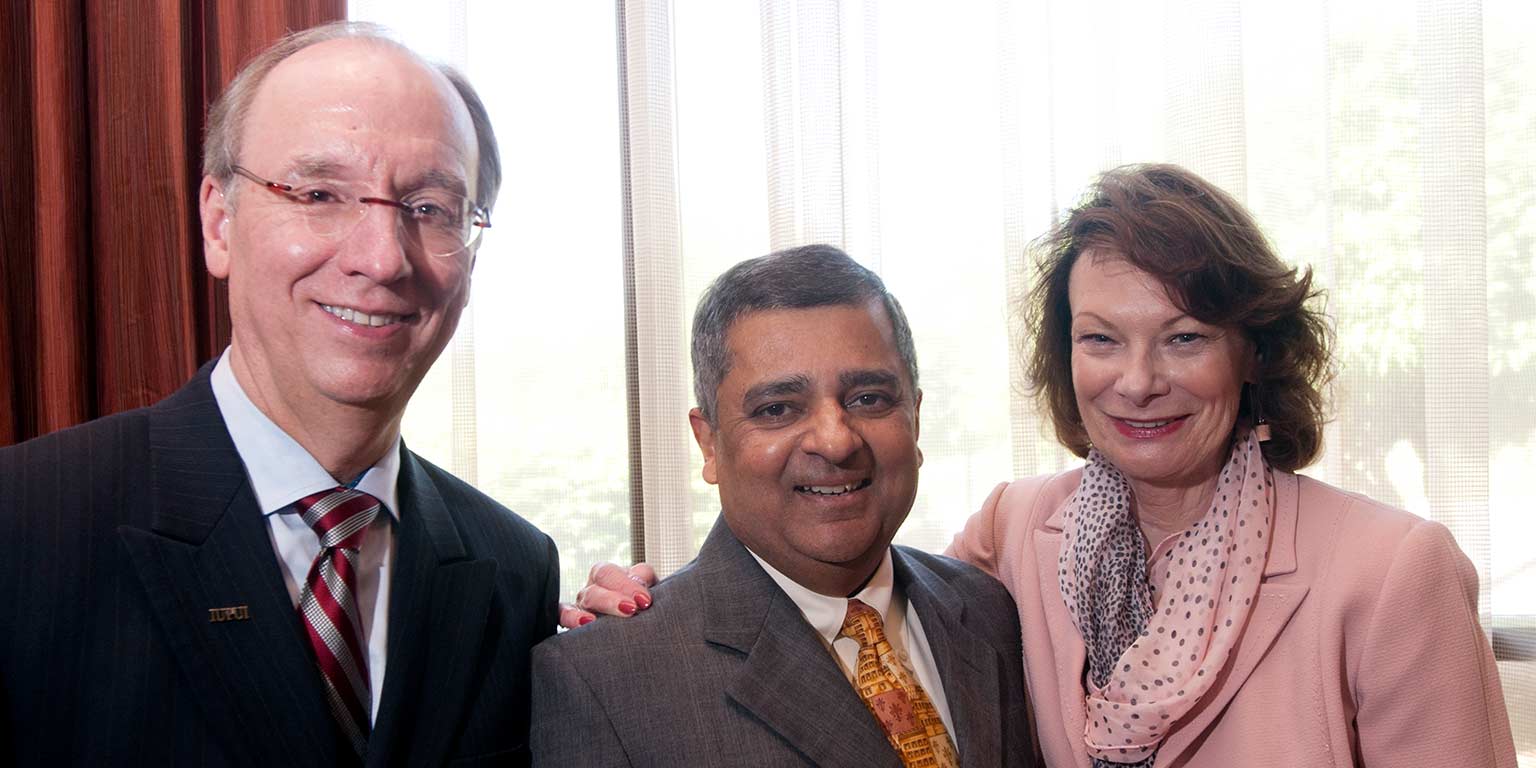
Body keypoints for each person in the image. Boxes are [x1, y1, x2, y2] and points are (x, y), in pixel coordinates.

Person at [567, 166, 1518, 767]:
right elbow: (826, 604)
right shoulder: (1018, 537)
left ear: (1252, 352)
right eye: (1101, 338)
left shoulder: (1391, 573)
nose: (1138, 382)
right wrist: (646, 602)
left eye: (1184, 337)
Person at [0, 22, 558, 767]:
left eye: (429, 209)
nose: (382, 259)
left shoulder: (514, 571)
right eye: (321, 193)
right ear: (219, 221)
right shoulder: (22, 524)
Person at [531, 245, 1034, 767]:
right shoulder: (604, 680)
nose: (836, 442)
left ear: (915, 419)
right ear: (709, 443)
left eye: (869, 398)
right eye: (777, 409)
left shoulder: (991, 611)